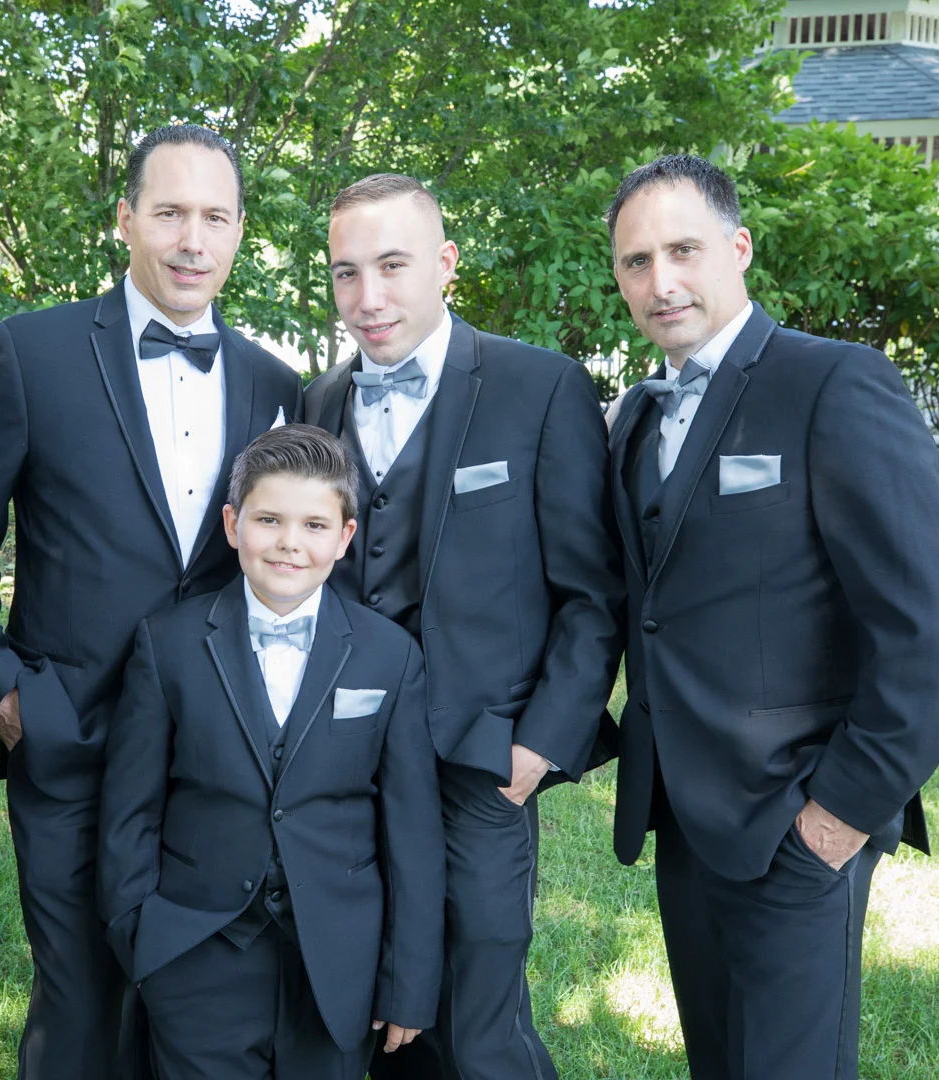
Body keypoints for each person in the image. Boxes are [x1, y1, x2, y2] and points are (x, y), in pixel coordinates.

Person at [0, 124, 304, 1079]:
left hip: (214, 757)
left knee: (194, 1000)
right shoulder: (32, 351)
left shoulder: (276, 384)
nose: (192, 239)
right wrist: (1, 688)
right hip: (69, 735)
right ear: (125, 218)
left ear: (240, 231)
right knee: (80, 1004)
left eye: (215, 216)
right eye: (170, 211)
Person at [603, 153, 939, 1080]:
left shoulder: (833, 383)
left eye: (683, 250)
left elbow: (926, 617)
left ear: (738, 249)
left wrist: (839, 816)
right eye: (637, 261)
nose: (662, 281)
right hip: (685, 817)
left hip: (798, 819)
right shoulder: (637, 419)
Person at [305, 173, 625, 1080]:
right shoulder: (318, 402)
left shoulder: (539, 387)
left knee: (479, 1017)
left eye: (393, 265)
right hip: (346, 757)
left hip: (484, 759)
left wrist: (539, 748)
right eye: (347, 272)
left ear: (446, 263)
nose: (369, 297)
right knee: (367, 1004)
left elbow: (592, 594)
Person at [98, 423, 444, 1080]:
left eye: (314, 525)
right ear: (233, 525)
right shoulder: (167, 644)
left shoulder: (389, 656)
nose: (289, 542)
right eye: (268, 520)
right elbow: (130, 811)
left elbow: (413, 833)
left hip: (339, 963)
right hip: (197, 952)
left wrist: (409, 979)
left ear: (344, 537)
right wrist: (140, 935)